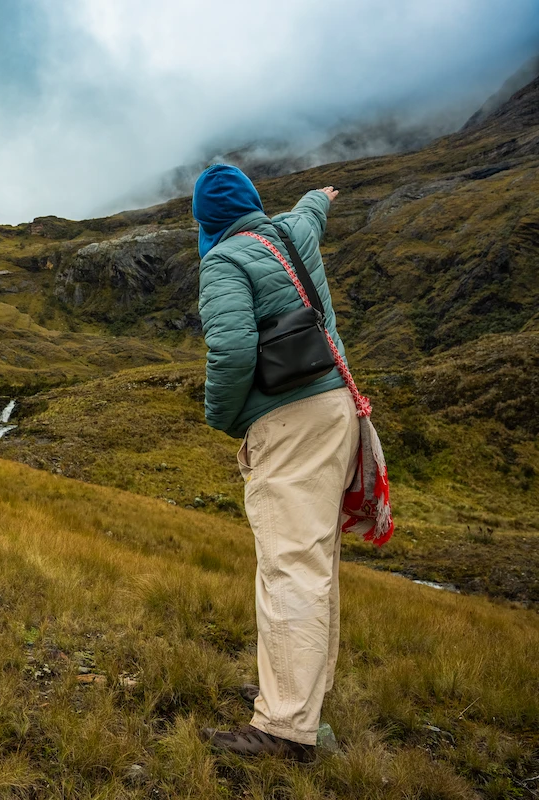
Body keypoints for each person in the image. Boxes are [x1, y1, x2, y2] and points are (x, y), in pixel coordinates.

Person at [193, 164, 356, 762]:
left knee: (288, 566)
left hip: (290, 422)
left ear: (206, 221)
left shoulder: (223, 261)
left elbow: (232, 350)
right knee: (314, 560)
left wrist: (222, 416)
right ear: (253, 203)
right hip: (339, 408)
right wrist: (320, 195)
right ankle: (300, 697)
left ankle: (285, 728)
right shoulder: (292, 231)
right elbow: (310, 212)